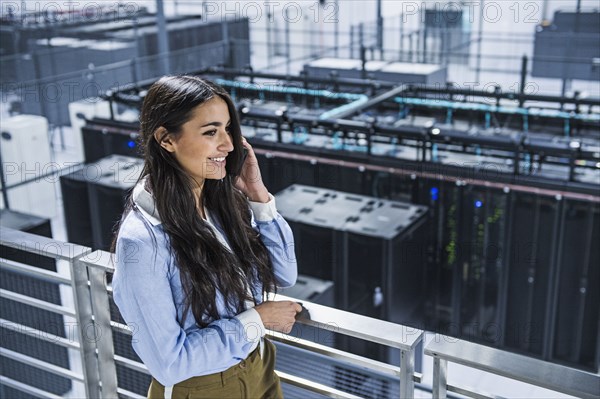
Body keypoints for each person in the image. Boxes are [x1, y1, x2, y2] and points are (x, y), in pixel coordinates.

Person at [111, 75, 301, 399]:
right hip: (202, 387)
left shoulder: (221, 205)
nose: (227, 144)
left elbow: (285, 273)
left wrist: (257, 193)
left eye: (228, 129)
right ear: (166, 139)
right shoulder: (143, 241)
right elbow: (170, 363)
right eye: (211, 132)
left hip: (258, 366)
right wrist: (256, 319)